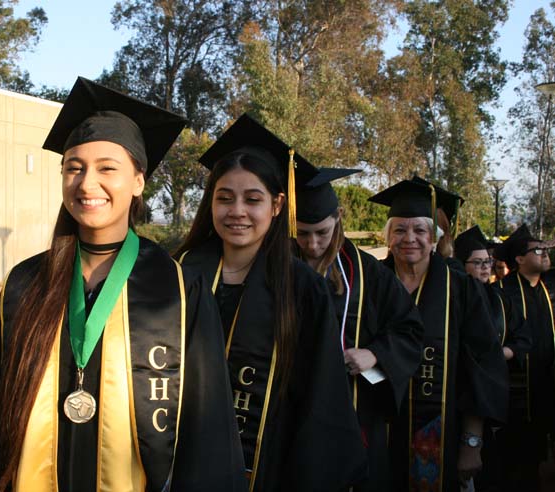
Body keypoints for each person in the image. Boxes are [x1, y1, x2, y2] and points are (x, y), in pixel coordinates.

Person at [0, 77, 247, 492]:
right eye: (74, 168)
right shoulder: (26, 283)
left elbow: (207, 429)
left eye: (107, 168)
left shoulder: (179, 289)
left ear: (138, 181)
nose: (87, 183)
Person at [175, 114, 367, 492]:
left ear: (278, 205)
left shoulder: (303, 289)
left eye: (253, 199)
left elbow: (322, 399)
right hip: (180, 464)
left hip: (271, 468)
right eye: (224, 198)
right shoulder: (180, 274)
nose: (237, 212)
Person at [368, 179, 508, 492]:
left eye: (420, 230)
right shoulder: (370, 284)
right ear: (388, 236)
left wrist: (472, 442)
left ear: (434, 237)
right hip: (377, 429)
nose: (410, 239)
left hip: (441, 434)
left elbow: (483, 367)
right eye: (400, 229)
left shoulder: (461, 290)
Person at [293, 167, 424, 491]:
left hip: (355, 413)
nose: (312, 244)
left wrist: (374, 354)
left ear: (338, 217)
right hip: (292, 413)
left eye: (321, 232)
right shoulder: (278, 267)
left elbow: (410, 330)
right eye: (302, 233)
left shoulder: (369, 273)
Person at [453, 225, 531, 492]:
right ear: (461, 265)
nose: (486, 267)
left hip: (493, 389)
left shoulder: (500, 298)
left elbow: (523, 338)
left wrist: (499, 354)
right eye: (478, 262)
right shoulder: (452, 299)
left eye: (488, 261)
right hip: (462, 394)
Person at [494, 224, 555, 491]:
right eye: (537, 249)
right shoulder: (502, 292)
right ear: (519, 259)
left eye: (545, 248)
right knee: (514, 464)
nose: (544, 253)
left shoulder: (548, 288)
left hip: (546, 386)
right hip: (515, 395)